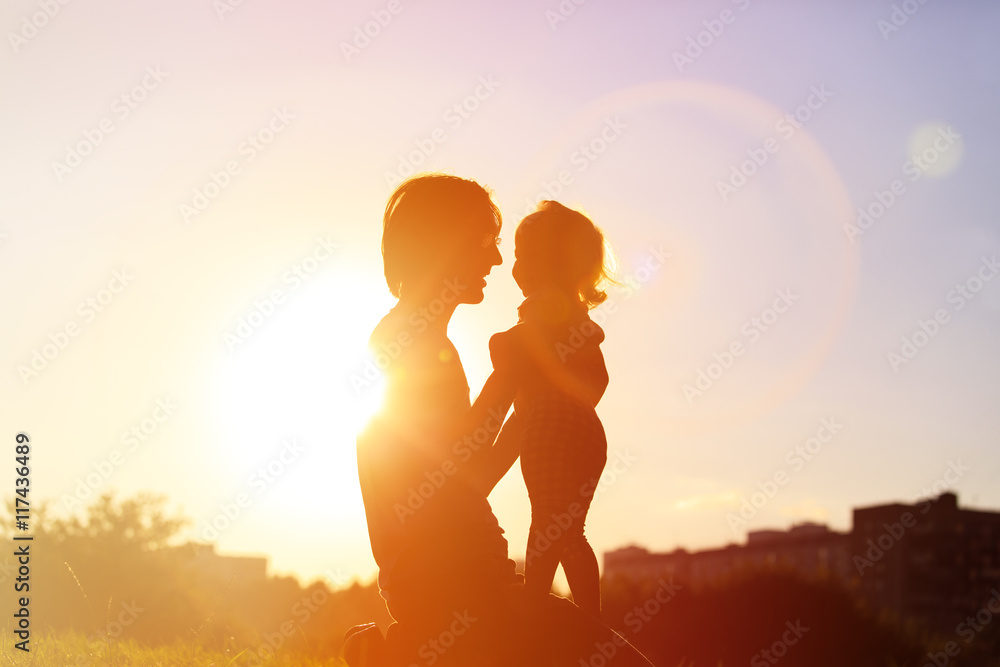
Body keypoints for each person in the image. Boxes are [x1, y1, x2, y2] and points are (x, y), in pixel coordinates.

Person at [350, 174, 652, 666]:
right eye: (485, 243)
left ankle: (403, 651)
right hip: (460, 597)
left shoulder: (426, 342)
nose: (495, 260)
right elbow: (450, 477)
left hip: (478, 587)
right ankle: (406, 651)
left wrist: (536, 409)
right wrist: (510, 375)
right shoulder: (408, 339)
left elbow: (469, 478)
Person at [486, 201, 613, 618]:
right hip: (587, 432)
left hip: (551, 428)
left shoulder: (544, 305)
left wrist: (502, 345)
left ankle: (536, 608)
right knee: (566, 530)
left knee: (548, 525)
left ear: (555, 262)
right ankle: (583, 617)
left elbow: (524, 348)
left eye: (526, 255)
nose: (515, 267)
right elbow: (600, 379)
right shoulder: (575, 316)